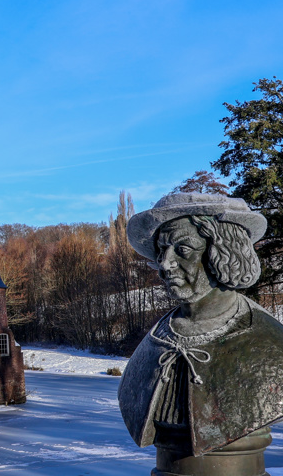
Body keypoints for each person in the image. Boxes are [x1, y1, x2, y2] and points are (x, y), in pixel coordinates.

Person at [118, 192, 283, 456]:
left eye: (182, 250)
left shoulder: (273, 345)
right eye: (162, 250)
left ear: (223, 254)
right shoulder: (154, 342)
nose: (165, 262)